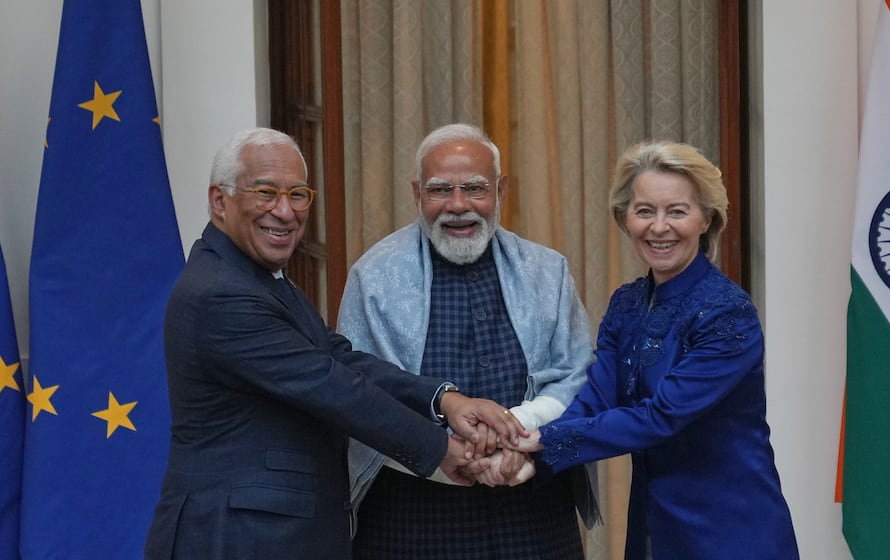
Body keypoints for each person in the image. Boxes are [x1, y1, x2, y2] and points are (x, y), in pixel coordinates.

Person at [144, 127, 524, 559]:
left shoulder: (253, 275)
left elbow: (339, 358)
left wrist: (445, 400)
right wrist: (439, 448)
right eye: (266, 192)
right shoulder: (221, 293)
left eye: (298, 194)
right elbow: (332, 387)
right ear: (220, 201)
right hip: (234, 538)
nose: (285, 212)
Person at [514, 141, 799, 559]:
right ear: (624, 218)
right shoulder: (627, 304)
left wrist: (542, 441)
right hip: (653, 524)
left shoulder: (727, 313)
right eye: (645, 211)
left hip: (731, 531)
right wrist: (528, 447)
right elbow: (596, 397)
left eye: (677, 211)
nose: (659, 227)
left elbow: (661, 416)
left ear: (706, 220)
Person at [338, 123, 599, 559]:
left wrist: (517, 437)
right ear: (416, 193)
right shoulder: (375, 277)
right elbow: (359, 395)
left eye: (475, 188)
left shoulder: (546, 271)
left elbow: (578, 376)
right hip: (413, 519)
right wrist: (443, 451)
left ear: (501, 191)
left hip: (532, 512)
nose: (458, 206)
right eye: (440, 190)